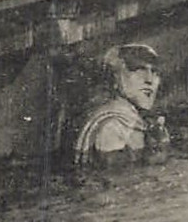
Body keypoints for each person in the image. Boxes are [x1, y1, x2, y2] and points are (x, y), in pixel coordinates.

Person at [72, 43, 169, 171]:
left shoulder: (142, 120)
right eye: (139, 70)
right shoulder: (112, 127)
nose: (149, 80)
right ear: (116, 77)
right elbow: (117, 179)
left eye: (155, 72)